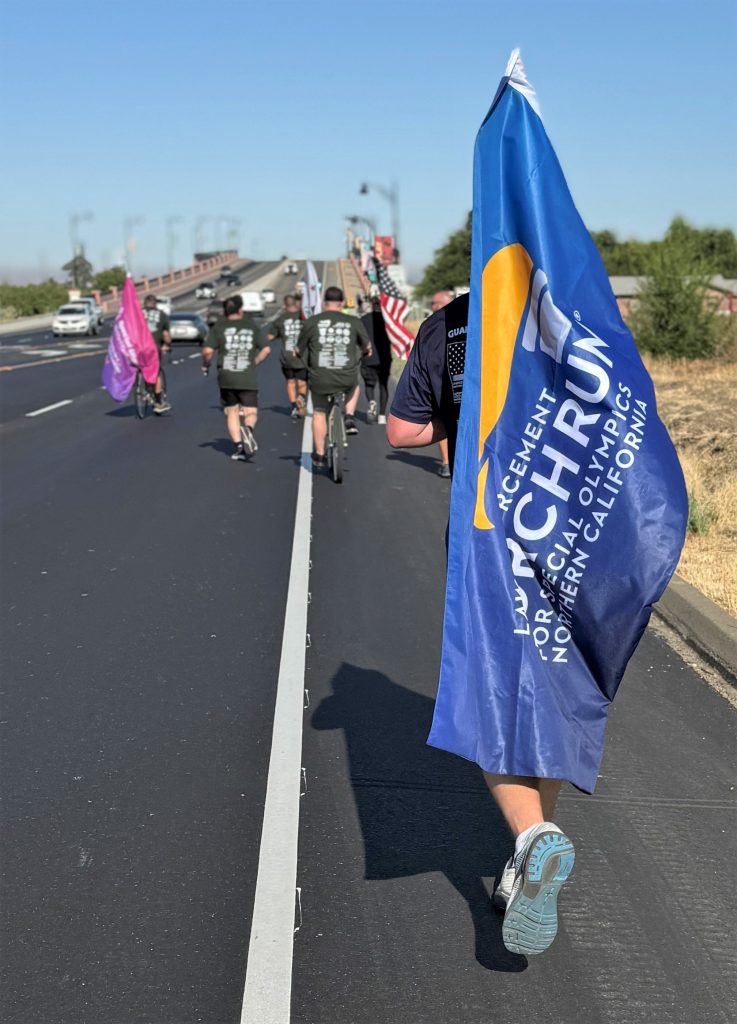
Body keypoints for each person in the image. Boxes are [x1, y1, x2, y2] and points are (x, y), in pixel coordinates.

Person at [388, 290, 573, 953]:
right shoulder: (570, 302)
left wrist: (462, 415)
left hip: (489, 532)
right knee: (546, 690)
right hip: (568, 528)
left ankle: (531, 839)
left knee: (487, 691)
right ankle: (527, 858)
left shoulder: (449, 327)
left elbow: (401, 431)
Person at [296, 285, 371, 468]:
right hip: (346, 376)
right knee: (354, 387)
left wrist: (299, 355)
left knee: (320, 412)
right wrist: (365, 352)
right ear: (342, 303)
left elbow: (299, 349)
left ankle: (320, 453)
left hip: (320, 377)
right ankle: (350, 416)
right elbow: (367, 346)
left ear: (324, 303)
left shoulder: (312, 322)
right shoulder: (353, 321)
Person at [201, 294, 271, 461]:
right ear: (241, 310)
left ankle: (239, 447)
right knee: (251, 411)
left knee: (231, 411)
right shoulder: (251, 326)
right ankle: (248, 429)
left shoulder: (219, 327)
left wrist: (206, 364)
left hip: (226, 376)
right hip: (246, 375)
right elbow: (266, 349)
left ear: (225, 312)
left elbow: (207, 351)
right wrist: (254, 362)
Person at [429, 290, 456, 476]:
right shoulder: (467, 318)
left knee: (443, 420)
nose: (432, 307)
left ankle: (448, 462)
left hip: (445, 382)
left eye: (435, 303)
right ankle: (449, 462)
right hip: (458, 382)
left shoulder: (436, 324)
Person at [268, 294, 308, 420]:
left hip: (286, 357)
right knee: (302, 382)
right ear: (296, 304)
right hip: (301, 356)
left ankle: (294, 407)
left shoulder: (280, 319)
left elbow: (270, 337)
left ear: (285, 305)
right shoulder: (304, 317)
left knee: (290, 382)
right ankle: (301, 397)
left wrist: (280, 334)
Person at [359, 298, 392, 425]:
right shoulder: (388, 321)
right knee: (384, 385)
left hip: (368, 356)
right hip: (384, 357)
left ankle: (372, 401)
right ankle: (382, 415)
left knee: (369, 384)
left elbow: (359, 338)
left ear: (371, 305)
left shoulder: (364, 319)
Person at [142, 294, 172, 413]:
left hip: (138, 348)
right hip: (153, 348)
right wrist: (167, 345)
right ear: (155, 304)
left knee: (141, 366)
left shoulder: (137, 314)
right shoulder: (162, 315)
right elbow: (166, 334)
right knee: (156, 372)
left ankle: (141, 385)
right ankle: (159, 402)